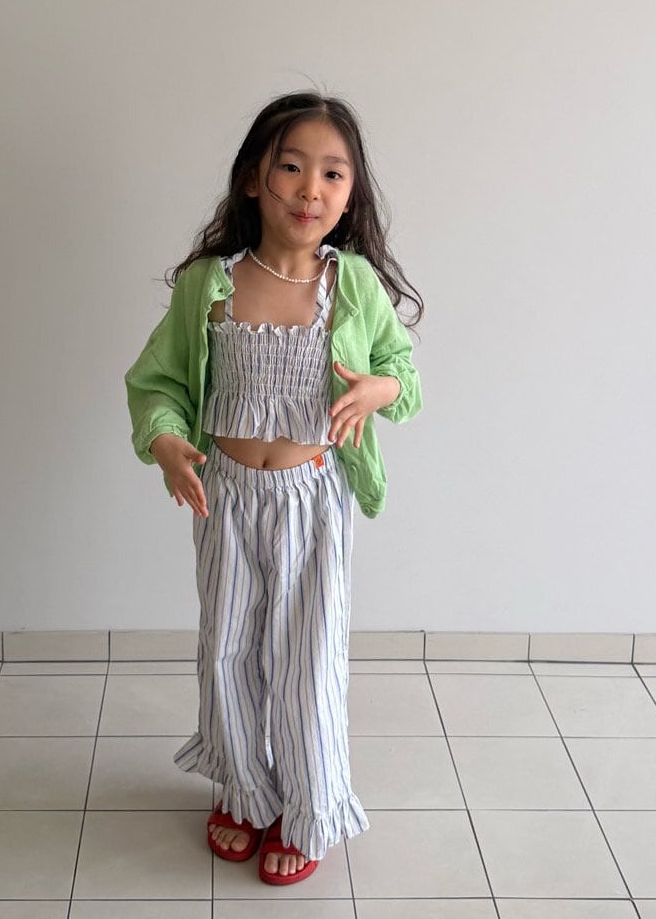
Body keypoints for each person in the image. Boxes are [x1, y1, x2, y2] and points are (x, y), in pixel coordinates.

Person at [123, 89, 423, 884]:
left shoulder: (352, 285)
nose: (309, 189)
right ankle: (244, 791)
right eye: (291, 167)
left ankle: (308, 805)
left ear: (350, 195)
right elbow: (158, 383)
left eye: (332, 174)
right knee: (227, 649)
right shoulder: (210, 285)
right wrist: (165, 441)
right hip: (223, 498)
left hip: (312, 501)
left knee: (307, 659)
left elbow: (404, 374)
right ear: (255, 178)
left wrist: (378, 390)